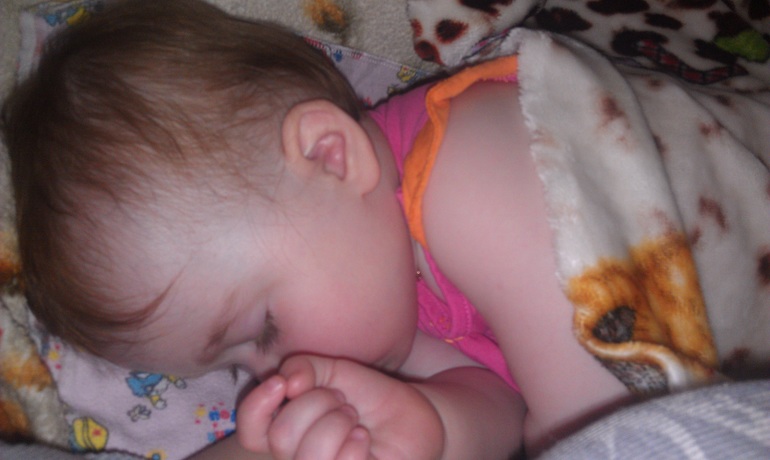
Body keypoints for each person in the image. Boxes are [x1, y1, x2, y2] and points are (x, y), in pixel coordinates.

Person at [7, 0, 768, 458]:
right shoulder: (386, 286)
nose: (273, 373)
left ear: (331, 156)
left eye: (260, 329)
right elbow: (498, 406)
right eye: (237, 367)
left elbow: (603, 423)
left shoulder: (474, 170)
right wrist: (430, 427)